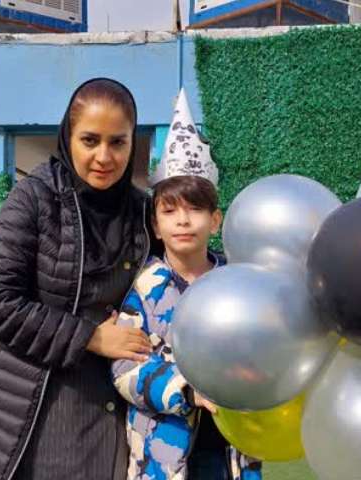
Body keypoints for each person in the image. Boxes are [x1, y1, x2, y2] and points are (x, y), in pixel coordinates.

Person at [0, 78, 158, 480]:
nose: (104, 156)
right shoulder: (34, 198)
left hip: (114, 399)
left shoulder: (143, 214)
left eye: (117, 142)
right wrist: (92, 337)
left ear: (132, 144)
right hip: (33, 395)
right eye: (90, 140)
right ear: (68, 137)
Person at [111, 89, 262, 480]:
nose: (183, 220)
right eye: (170, 210)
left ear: (215, 221)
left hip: (233, 450)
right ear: (156, 225)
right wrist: (185, 389)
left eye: (195, 209)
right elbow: (125, 368)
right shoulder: (144, 289)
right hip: (165, 454)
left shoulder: (239, 283)